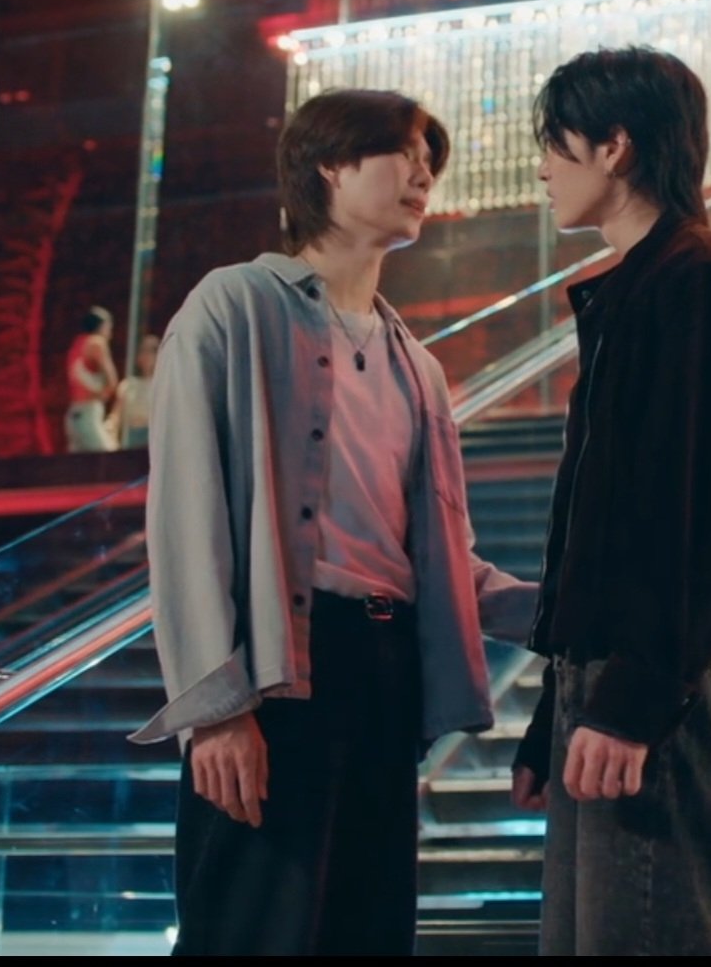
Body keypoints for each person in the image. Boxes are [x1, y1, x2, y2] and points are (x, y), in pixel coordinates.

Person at [126, 88, 538, 957]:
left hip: (385, 672)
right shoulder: (233, 304)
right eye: (403, 153)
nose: (423, 175)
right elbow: (186, 517)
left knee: (366, 931)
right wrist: (215, 709)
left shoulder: (417, 366)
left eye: (429, 160)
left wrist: (571, 614)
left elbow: (442, 559)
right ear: (329, 166)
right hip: (276, 673)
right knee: (251, 931)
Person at [510, 46, 711, 956]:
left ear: (614, 146)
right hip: (616, 676)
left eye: (554, 143)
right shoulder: (641, 286)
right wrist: (555, 709)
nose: (542, 168)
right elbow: (605, 529)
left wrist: (631, 700)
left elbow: (701, 513)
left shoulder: (699, 283)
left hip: (659, 681)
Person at [65, 306, 119, 452]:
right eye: (109, 328)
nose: (110, 334)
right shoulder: (97, 342)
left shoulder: (77, 344)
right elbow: (112, 379)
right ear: (101, 326)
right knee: (109, 458)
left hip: (73, 414)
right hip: (88, 412)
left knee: (78, 463)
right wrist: (103, 395)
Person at [107, 333, 160, 449]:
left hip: (154, 438)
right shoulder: (128, 385)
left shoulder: (162, 386)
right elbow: (116, 417)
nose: (147, 355)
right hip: (132, 439)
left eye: (152, 351)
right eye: (143, 350)